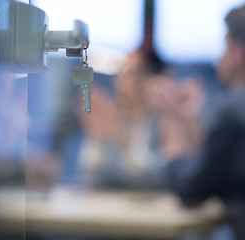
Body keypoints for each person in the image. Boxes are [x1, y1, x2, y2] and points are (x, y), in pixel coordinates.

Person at [149, 5, 245, 239]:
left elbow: (192, 190)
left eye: (224, 45)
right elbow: (213, 166)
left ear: (238, 52)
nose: (218, 58)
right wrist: (188, 121)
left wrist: (171, 140)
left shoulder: (233, 109)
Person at [67, 49, 168, 189]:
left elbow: (158, 177)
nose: (121, 83)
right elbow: (91, 175)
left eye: (130, 74)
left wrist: (121, 140)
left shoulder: (161, 122)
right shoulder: (115, 119)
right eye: (120, 74)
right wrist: (96, 138)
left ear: (147, 79)